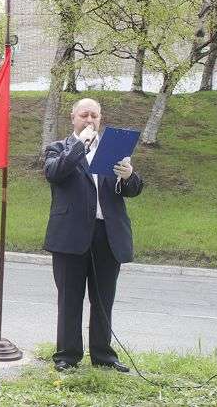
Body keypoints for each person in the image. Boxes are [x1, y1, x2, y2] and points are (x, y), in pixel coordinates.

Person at [43, 98, 143, 373]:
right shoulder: (58, 148)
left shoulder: (113, 150)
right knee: (70, 299)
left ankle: (103, 356)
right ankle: (67, 356)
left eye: (95, 116)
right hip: (70, 235)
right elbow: (54, 173)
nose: (90, 120)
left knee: (103, 300)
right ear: (73, 118)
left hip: (107, 235)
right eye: (84, 115)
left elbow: (134, 189)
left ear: (101, 119)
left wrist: (128, 175)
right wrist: (79, 146)